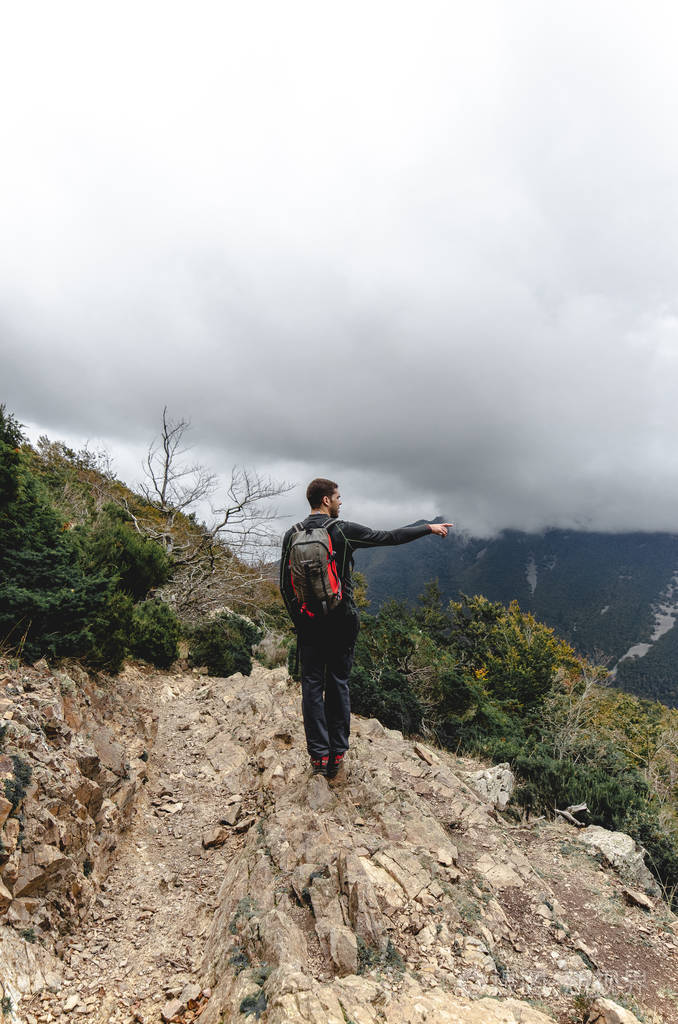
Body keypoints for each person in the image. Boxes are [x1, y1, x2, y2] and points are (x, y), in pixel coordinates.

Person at [279, 477, 453, 782]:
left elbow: (284, 586)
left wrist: (302, 620)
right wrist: (427, 528)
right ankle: (337, 759)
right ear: (325, 501)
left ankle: (318, 759)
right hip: (341, 620)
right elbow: (388, 537)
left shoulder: (291, 535)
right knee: (337, 684)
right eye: (337, 497)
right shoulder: (341, 531)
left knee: (311, 686)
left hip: (309, 624)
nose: (340, 502)